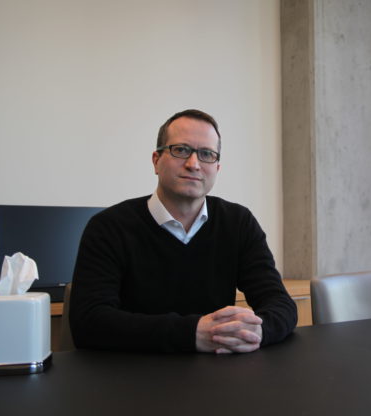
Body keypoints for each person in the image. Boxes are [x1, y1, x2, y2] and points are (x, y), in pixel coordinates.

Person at [69, 109, 297, 353]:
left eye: (206, 154)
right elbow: (89, 323)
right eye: (181, 150)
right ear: (156, 161)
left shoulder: (238, 222)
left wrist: (257, 332)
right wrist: (191, 333)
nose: (194, 164)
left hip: (216, 376)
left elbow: (280, 303)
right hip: (131, 377)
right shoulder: (108, 227)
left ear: (217, 168)